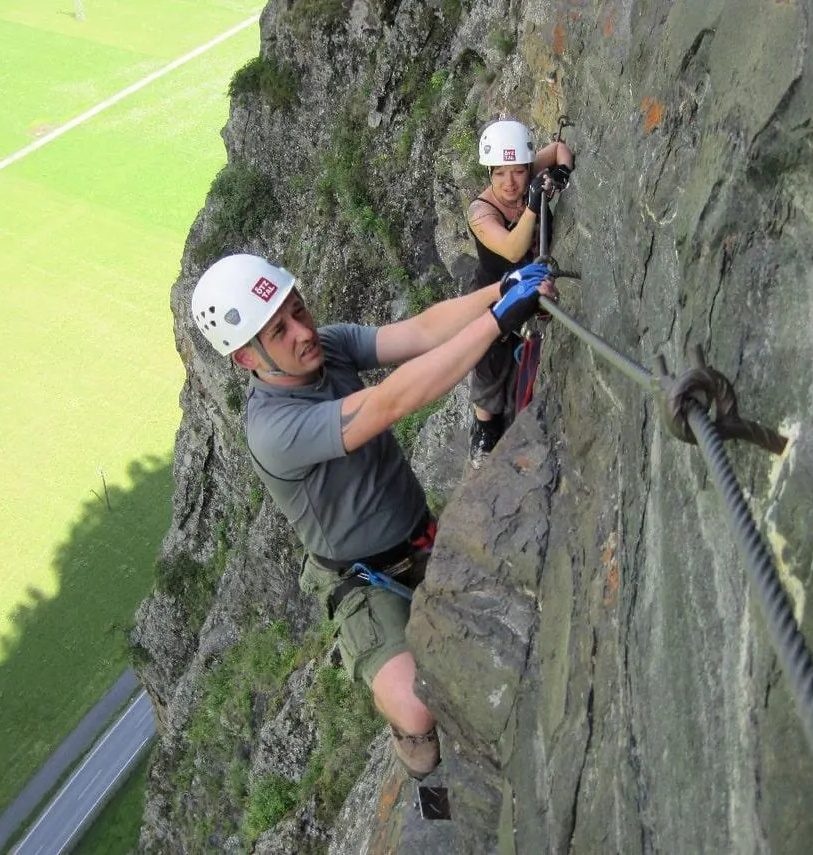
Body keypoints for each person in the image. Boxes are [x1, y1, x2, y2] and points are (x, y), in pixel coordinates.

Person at [190, 253, 556, 779]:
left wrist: (500, 289)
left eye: (299, 310)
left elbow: (421, 331)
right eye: (280, 330)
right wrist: (497, 319)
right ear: (248, 359)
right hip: (364, 581)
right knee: (415, 706)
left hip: (418, 535)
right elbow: (387, 404)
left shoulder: (327, 347)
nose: (302, 331)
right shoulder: (274, 430)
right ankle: (414, 751)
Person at [466, 118, 574, 466]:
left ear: (527, 166)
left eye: (517, 172)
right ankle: (485, 431)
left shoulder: (528, 172)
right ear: (489, 174)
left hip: (531, 282)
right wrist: (532, 204)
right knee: (490, 365)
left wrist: (560, 173)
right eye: (499, 173)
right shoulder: (481, 212)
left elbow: (559, 150)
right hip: (494, 292)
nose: (509, 182)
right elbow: (512, 249)